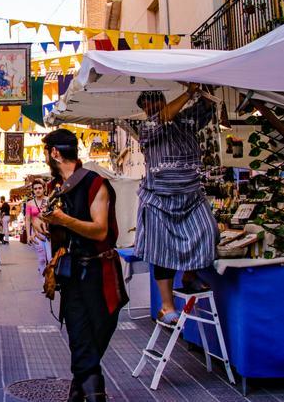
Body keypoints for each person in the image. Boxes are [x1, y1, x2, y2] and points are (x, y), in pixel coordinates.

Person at [34, 128, 128, 402]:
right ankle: (93, 393)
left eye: (46, 153)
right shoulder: (55, 188)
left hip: (101, 271)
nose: (46, 159)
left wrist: (63, 220)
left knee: (99, 329)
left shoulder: (95, 183)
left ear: (54, 153)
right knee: (78, 332)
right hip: (71, 271)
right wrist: (44, 223)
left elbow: (100, 231)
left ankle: (81, 389)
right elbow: (53, 221)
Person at [128, 84, 218, 325]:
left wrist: (206, 85)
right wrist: (189, 92)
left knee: (209, 231)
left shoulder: (186, 120)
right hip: (159, 198)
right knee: (162, 251)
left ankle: (190, 275)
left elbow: (207, 107)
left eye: (158, 100)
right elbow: (165, 116)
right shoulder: (145, 128)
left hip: (190, 194)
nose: (155, 105)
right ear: (144, 109)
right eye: (150, 103)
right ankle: (166, 306)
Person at [25, 178, 50, 282]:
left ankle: (50, 279)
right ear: (33, 190)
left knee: (50, 258)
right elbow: (27, 220)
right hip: (36, 234)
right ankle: (44, 281)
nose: (38, 190)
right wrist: (28, 236)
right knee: (42, 258)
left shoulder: (49, 200)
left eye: (40, 188)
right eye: (35, 189)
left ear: (44, 189)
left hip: (48, 233)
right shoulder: (29, 203)